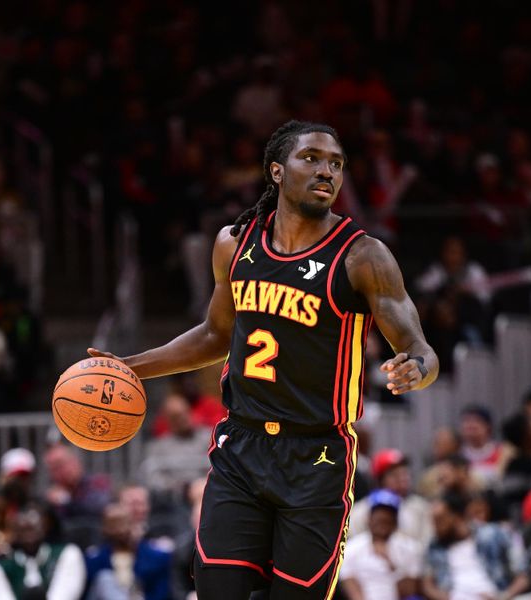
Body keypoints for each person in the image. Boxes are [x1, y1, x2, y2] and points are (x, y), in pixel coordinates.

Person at [88, 119, 439, 599]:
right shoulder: (234, 242)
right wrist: (130, 366)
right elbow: (215, 334)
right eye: (311, 158)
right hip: (243, 448)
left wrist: (416, 368)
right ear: (276, 170)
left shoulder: (363, 256)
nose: (326, 172)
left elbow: (420, 349)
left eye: (336, 164)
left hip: (317, 457)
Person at [0, 503, 85, 600]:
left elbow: (65, 595)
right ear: (14, 531)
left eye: (32, 528)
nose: (29, 536)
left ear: (45, 526)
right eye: (23, 529)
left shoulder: (68, 554)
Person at [339, 489, 423, 600]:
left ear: (396, 520)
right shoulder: (352, 547)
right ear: (369, 518)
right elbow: (352, 589)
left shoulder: (410, 548)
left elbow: (409, 591)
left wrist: (392, 565)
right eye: (378, 512)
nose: (383, 517)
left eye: (388, 513)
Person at [84, 503, 172, 600]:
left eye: (123, 523)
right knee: (105, 579)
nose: (120, 530)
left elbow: (160, 593)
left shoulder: (157, 558)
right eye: (113, 525)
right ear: (104, 528)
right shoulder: (94, 559)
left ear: (133, 525)